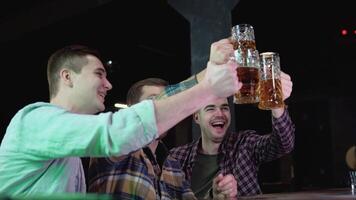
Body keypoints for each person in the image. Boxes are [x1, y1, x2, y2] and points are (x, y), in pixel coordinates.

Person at [0, 42, 240, 196]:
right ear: (67, 77)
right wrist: (208, 88)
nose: (109, 84)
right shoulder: (33, 120)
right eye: (99, 74)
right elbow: (117, 133)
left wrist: (208, 74)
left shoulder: (67, 149)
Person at [88, 38, 238, 199]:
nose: (166, 106)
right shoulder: (118, 143)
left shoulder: (170, 162)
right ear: (132, 110)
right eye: (155, 101)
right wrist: (209, 75)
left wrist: (214, 196)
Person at [167, 71, 295, 197]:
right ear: (196, 117)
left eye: (224, 108)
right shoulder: (178, 157)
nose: (220, 114)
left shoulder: (244, 144)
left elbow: (283, 144)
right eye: (210, 108)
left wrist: (277, 102)